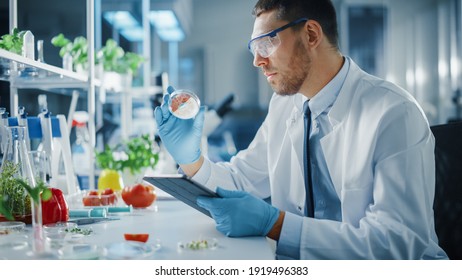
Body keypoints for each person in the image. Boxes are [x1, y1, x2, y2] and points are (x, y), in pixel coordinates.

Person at [154, 0, 448, 260]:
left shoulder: (395, 113)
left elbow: (397, 244)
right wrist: (191, 159)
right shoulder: (286, 105)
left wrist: (276, 224)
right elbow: (242, 181)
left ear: (310, 34)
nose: (257, 60)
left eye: (266, 44)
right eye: (254, 49)